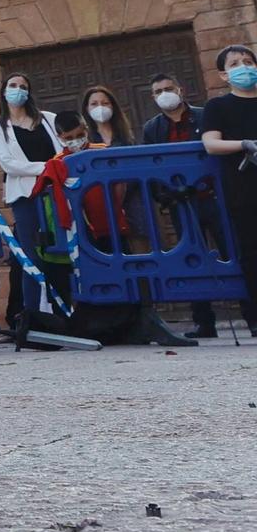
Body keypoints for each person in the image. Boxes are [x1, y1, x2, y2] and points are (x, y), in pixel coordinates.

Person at [140, 75, 216, 337]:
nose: (164, 94)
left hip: (212, 197)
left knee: (231, 251)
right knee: (191, 258)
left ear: (180, 89)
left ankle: (252, 315)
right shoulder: (152, 128)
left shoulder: (205, 116)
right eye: (158, 91)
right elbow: (150, 164)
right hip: (180, 203)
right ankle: (204, 322)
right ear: (153, 97)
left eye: (168, 88)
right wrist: (164, 196)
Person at [0, 72, 61, 335]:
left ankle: (65, 313)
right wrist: (47, 168)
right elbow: (8, 163)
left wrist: (54, 171)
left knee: (60, 251)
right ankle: (34, 317)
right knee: (30, 257)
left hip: (56, 193)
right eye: (13, 86)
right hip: (24, 196)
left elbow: (64, 152)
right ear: (4, 90)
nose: (18, 90)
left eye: (23, 87)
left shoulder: (49, 120)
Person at [197, 45, 257, 335]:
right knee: (253, 252)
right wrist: (244, 144)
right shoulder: (218, 107)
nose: (244, 66)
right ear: (223, 74)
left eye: (248, 61)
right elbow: (211, 143)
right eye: (235, 63)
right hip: (244, 189)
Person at [81, 84, 134, 149]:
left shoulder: (125, 135)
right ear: (87, 109)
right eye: (94, 104)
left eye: (105, 103)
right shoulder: (83, 138)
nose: (100, 107)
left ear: (112, 106)